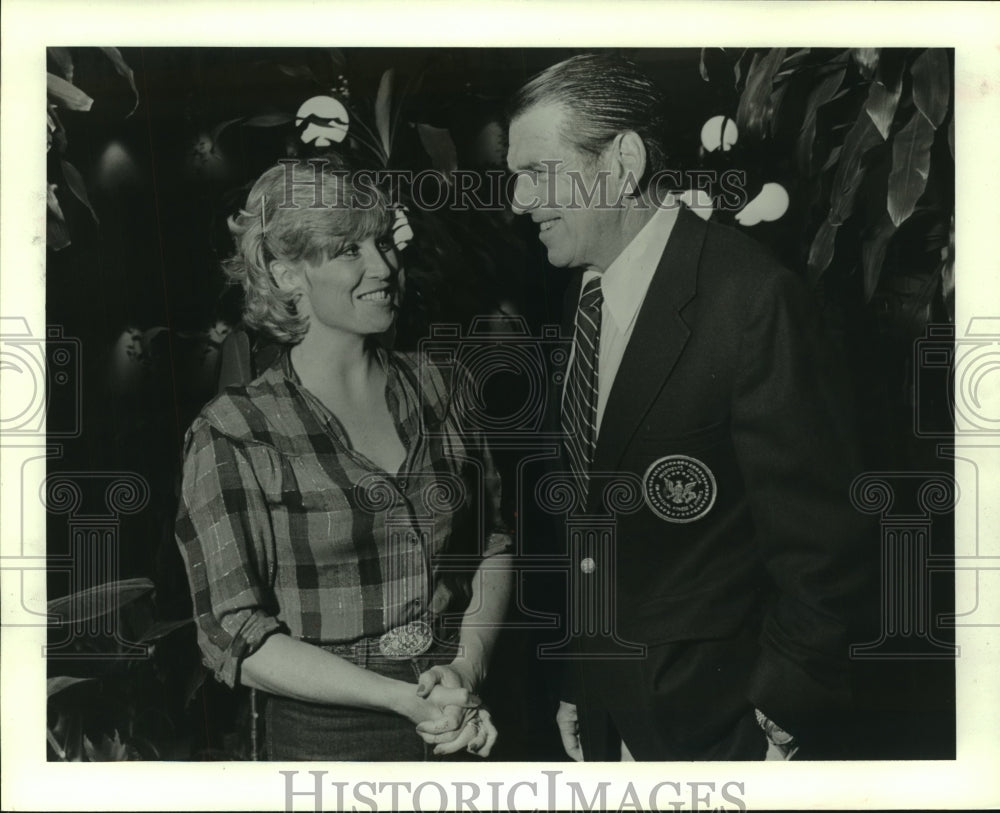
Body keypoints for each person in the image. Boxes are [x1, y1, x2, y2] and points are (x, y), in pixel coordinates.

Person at [505, 53, 873, 760]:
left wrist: (778, 719)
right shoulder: (581, 296)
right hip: (612, 717)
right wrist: (586, 679)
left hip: (723, 730)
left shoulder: (753, 299)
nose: (520, 200)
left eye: (538, 172)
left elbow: (826, 546)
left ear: (623, 161)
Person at [175, 157, 513, 760]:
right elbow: (235, 635)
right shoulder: (234, 430)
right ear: (285, 275)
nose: (383, 266)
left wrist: (467, 668)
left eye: (382, 241)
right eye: (347, 250)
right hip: (327, 735)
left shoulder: (441, 385)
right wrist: (403, 699)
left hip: (460, 711)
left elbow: (491, 545)